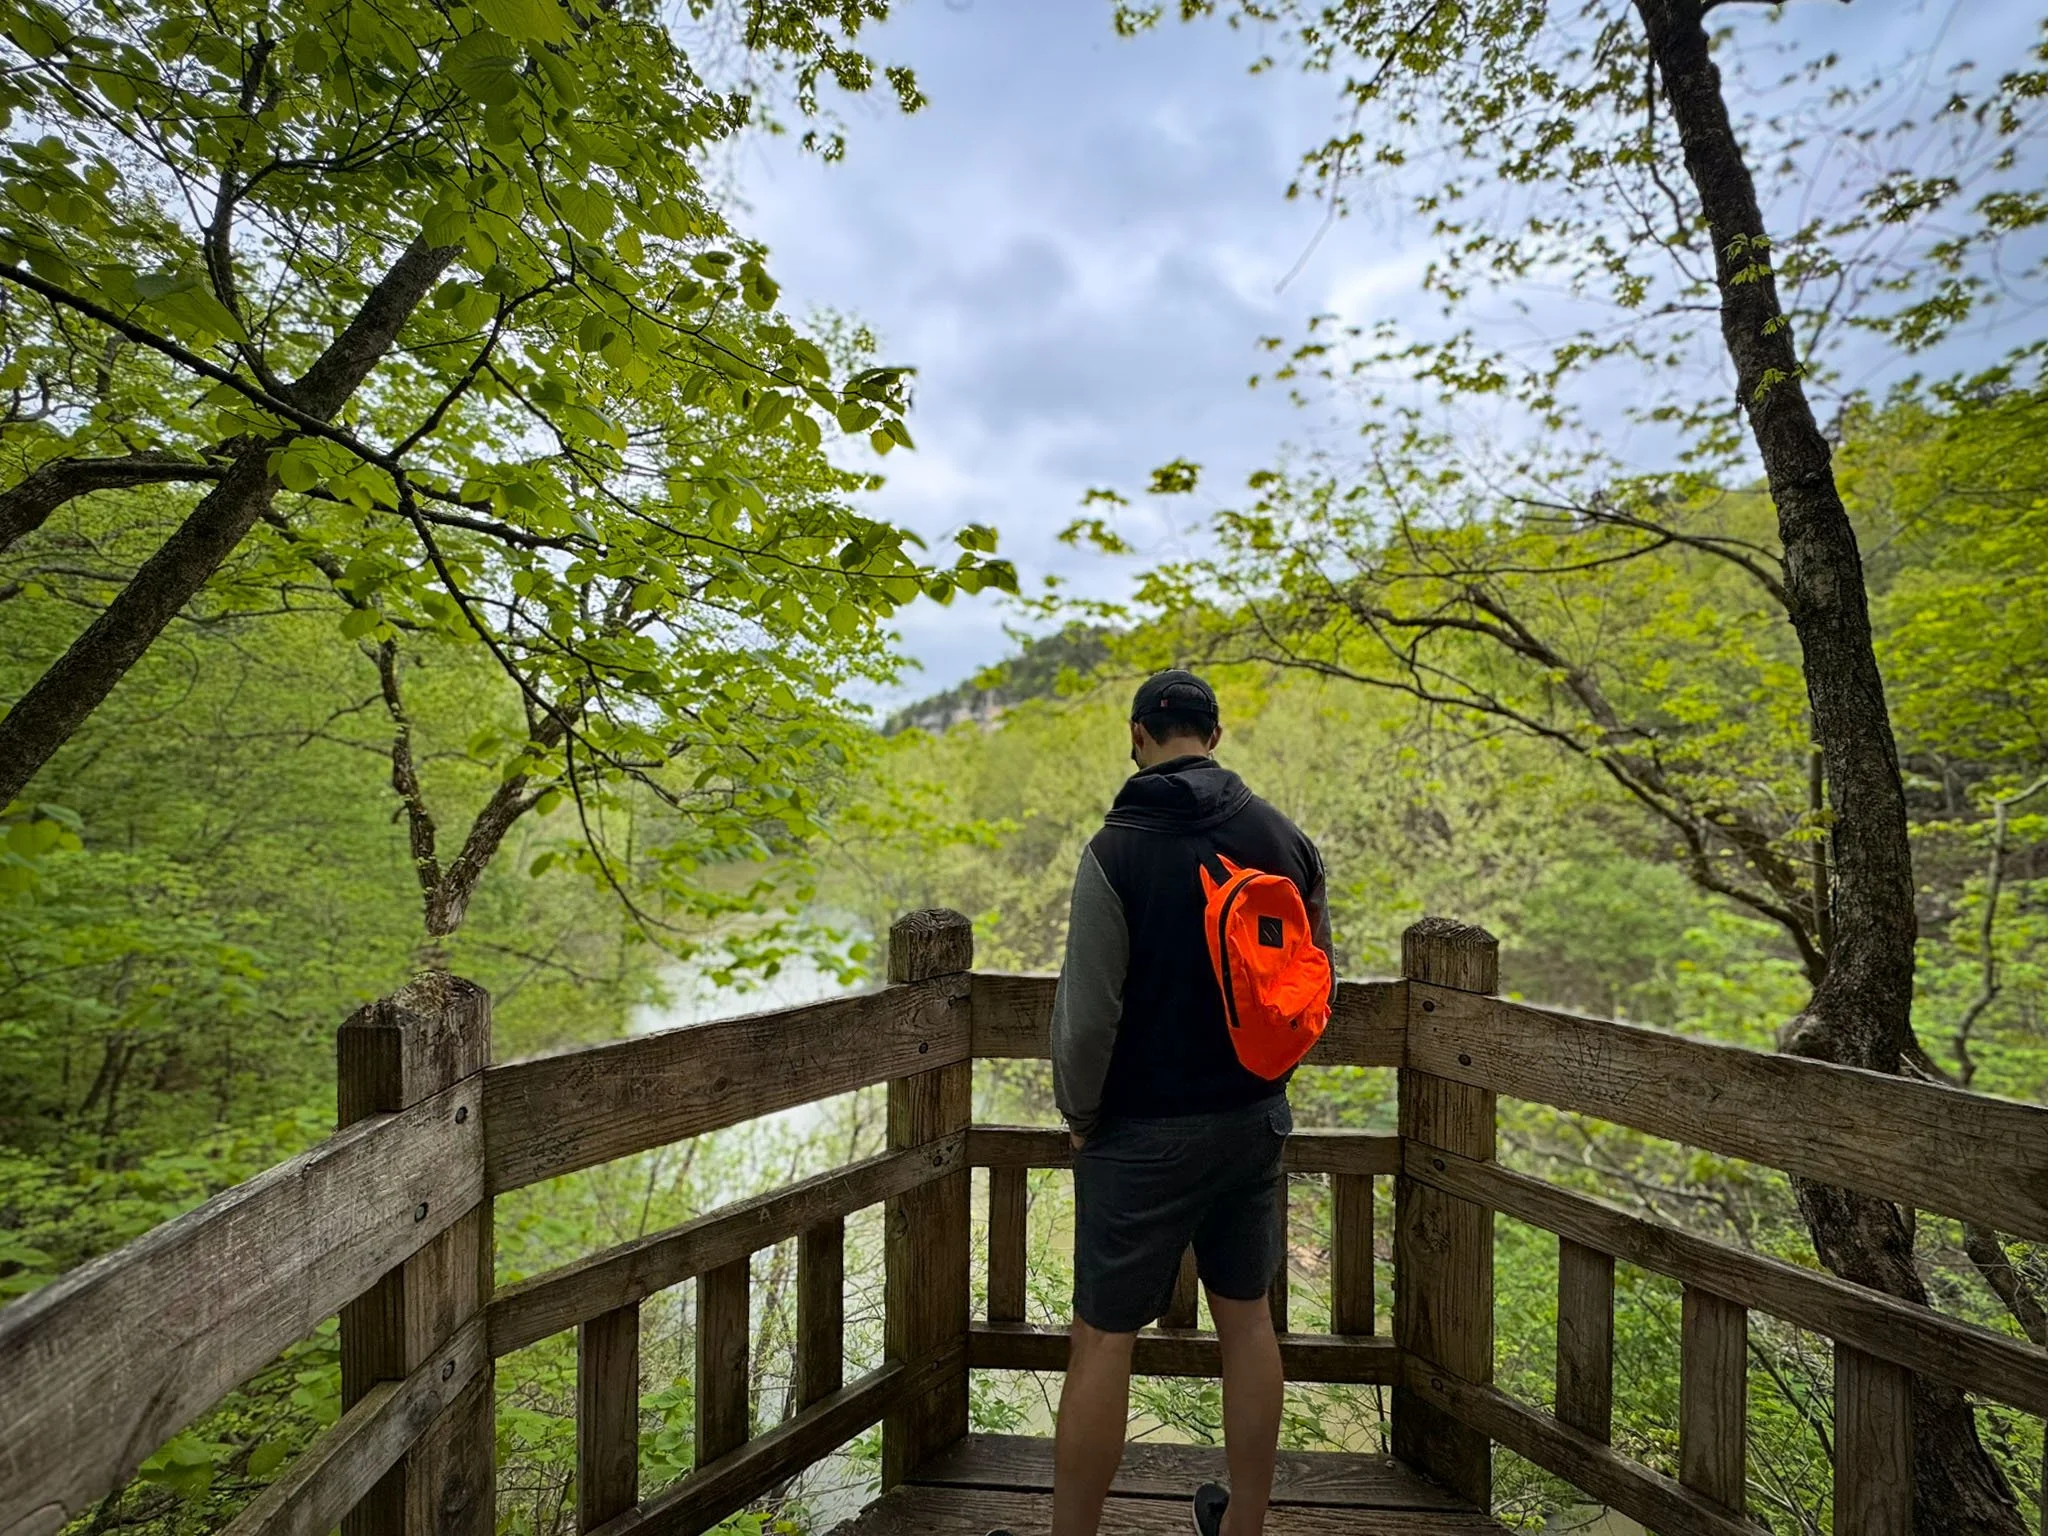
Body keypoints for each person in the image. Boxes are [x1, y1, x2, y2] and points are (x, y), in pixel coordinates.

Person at [990, 669, 1334, 1536]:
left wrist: (1080, 1116)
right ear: (1214, 737)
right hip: (1252, 1121)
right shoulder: (1287, 842)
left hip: (1139, 1131)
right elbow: (1310, 987)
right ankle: (1244, 1525)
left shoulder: (1116, 851)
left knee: (1104, 1339)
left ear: (1139, 735)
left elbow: (1087, 1018)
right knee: (1248, 1324)